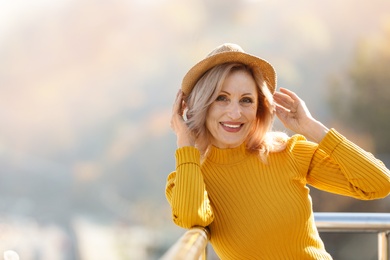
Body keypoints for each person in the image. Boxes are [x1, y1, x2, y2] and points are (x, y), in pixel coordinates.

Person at [165, 43, 390, 259]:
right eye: (221, 98)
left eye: (246, 100)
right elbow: (191, 217)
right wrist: (185, 143)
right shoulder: (188, 177)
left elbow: (379, 183)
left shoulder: (288, 152)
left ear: (258, 109)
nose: (235, 113)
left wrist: (313, 128)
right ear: (203, 104)